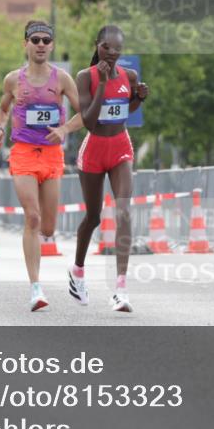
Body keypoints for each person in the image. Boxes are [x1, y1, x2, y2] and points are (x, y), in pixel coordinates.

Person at [0, 20, 84, 311]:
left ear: (52, 45)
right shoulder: (13, 80)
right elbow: (3, 109)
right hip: (23, 153)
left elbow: (85, 114)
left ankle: (66, 270)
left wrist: (65, 130)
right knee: (32, 217)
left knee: (48, 226)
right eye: (35, 40)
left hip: (52, 155)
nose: (41, 45)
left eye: (46, 40)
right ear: (26, 44)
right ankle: (35, 288)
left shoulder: (63, 80)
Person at [69, 25, 149, 313]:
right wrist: (102, 83)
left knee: (124, 209)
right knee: (92, 218)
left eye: (117, 48)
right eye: (106, 47)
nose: (112, 53)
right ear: (97, 46)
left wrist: (139, 97)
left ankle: (121, 288)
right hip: (93, 150)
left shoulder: (130, 76)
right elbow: (89, 122)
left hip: (120, 147)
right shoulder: (84, 77)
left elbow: (125, 110)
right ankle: (77, 270)